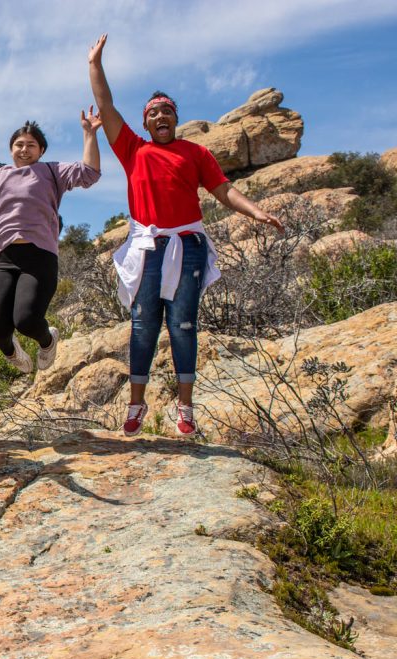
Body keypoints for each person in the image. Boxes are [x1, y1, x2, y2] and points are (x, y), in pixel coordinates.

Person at [87, 33, 283, 437]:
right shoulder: (133, 149)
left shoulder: (197, 154)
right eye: (154, 112)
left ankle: (185, 409)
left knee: (183, 326)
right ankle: (137, 406)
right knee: (143, 327)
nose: (161, 117)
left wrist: (257, 211)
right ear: (144, 121)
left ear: (176, 119)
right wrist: (95, 64)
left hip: (187, 246)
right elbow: (105, 106)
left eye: (167, 112)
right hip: (147, 248)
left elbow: (224, 190)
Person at [0, 112, 102, 375]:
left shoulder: (52, 171)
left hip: (39, 255)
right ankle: (12, 353)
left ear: (41, 150)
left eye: (31, 145)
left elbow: (89, 173)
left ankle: (47, 340)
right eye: (19, 144)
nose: (24, 149)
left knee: (27, 320)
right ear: (10, 150)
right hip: (3, 257)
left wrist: (90, 134)